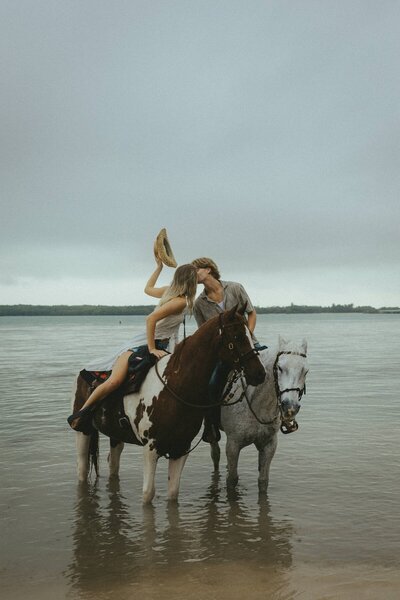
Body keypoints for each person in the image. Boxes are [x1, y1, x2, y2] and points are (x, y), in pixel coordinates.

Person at [67, 257, 198, 430]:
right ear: (191, 281)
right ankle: (81, 413)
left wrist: (158, 267)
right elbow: (150, 319)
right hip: (148, 343)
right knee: (114, 381)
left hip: (164, 344)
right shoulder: (178, 301)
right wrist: (152, 349)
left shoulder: (171, 294)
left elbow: (147, 289)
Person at [191, 257, 259, 442]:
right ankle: (211, 425)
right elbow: (203, 333)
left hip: (247, 345)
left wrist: (249, 336)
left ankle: (281, 416)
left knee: (269, 371)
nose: (193, 274)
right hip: (223, 354)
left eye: (195, 270)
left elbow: (251, 313)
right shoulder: (199, 304)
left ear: (208, 269)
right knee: (211, 384)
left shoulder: (235, 288)